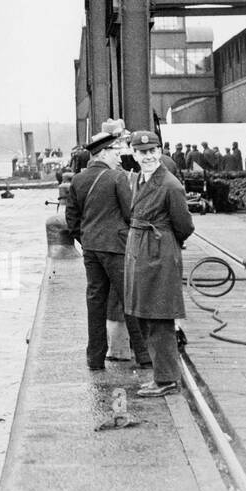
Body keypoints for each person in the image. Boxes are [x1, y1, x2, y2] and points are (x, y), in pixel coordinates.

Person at [65, 127, 149, 372]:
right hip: (116, 247)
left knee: (95, 302)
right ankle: (144, 356)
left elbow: (72, 219)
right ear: (102, 153)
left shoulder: (78, 180)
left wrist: (87, 240)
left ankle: (95, 359)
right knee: (129, 300)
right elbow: (129, 212)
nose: (119, 156)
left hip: (91, 249)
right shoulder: (117, 178)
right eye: (115, 151)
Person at [124, 130, 195, 397]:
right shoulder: (137, 180)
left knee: (160, 316)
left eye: (153, 151)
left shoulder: (170, 185)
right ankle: (161, 374)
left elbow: (185, 226)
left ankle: (167, 379)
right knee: (144, 313)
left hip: (159, 253)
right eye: (143, 152)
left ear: (160, 151)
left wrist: (163, 245)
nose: (149, 156)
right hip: (141, 252)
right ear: (134, 154)